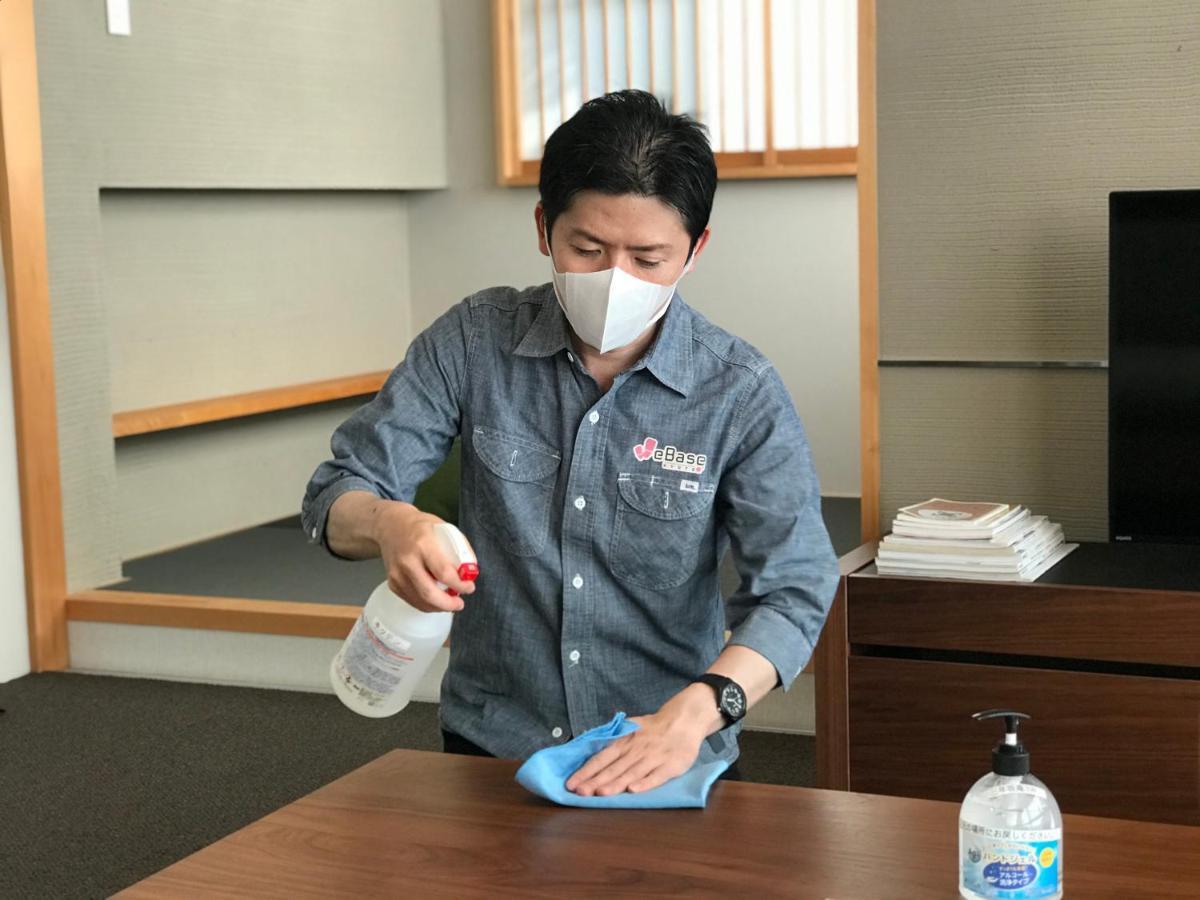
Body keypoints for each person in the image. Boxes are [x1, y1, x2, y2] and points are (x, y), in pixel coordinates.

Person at [302, 89, 839, 797]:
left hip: (667, 753)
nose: (616, 280)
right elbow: (336, 492)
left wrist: (705, 708)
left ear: (696, 250)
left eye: (649, 258)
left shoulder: (738, 391)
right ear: (543, 227)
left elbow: (797, 588)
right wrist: (390, 522)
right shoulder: (472, 342)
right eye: (587, 249)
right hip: (495, 748)